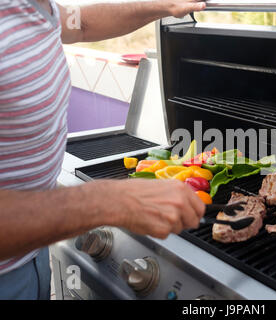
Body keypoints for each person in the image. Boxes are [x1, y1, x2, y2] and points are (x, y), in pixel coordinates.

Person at [0, 0, 206, 299]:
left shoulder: (32, 5)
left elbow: (81, 24)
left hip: (28, 251)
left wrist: (161, 5)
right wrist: (108, 201)